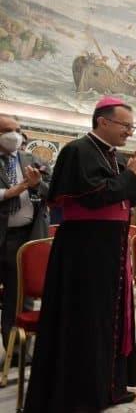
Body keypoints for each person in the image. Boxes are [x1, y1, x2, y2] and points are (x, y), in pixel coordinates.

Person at [25, 96, 136, 411]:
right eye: (126, 125)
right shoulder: (77, 151)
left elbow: (132, 197)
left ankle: (108, 386)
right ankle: (81, 392)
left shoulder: (115, 157)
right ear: (103, 121)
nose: (129, 131)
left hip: (112, 248)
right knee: (85, 319)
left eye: (131, 126)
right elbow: (97, 197)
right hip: (83, 250)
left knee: (109, 318)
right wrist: (130, 175)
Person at [0, 115, 49, 360]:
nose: (15, 135)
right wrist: (10, 192)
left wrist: (36, 185)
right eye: (8, 130)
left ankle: (17, 354)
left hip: (24, 238)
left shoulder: (31, 160)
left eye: (18, 130)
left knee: (19, 297)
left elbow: (53, 192)